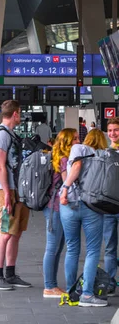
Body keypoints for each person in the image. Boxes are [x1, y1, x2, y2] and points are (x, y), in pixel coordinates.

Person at [58, 129, 108, 306]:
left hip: (69, 204)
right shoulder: (104, 155)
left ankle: (72, 291)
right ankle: (87, 294)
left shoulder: (79, 148)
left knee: (72, 248)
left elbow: (76, 166)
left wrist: (65, 189)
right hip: (92, 206)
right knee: (93, 250)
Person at [0, 100, 32, 291]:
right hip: (7, 190)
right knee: (5, 232)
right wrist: (7, 193)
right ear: (15, 113)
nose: (21, 115)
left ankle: (11, 274)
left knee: (16, 232)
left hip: (17, 189)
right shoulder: (1, 135)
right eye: (20, 112)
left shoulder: (10, 134)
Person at [42, 128, 78, 298]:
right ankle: (49, 286)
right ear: (68, 142)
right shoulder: (64, 159)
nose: (79, 141)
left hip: (53, 207)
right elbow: (66, 184)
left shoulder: (56, 156)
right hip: (55, 208)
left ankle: (52, 285)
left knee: (56, 247)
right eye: (76, 139)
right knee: (53, 247)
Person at [102, 117, 119, 295]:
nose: (113, 133)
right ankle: (110, 282)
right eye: (111, 130)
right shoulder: (105, 152)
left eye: (116, 130)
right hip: (108, 208)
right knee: (110, 247)